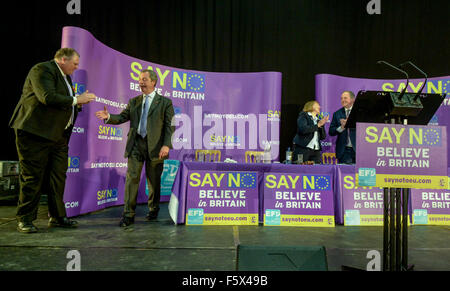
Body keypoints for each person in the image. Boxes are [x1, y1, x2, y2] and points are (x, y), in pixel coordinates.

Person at [9, 48, 96, 233]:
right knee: (32, 177)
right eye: (75, 63)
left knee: (58, 176)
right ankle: (25, 219)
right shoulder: (42, 70)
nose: (76, 67)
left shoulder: (66, 76)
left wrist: (77, 103)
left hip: (58, 136)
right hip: (35, 133)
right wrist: (75, 99)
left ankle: (57, 216)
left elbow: (64, 102)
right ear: (63, 59)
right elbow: (46, 97)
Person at [95, 69, 175, 227]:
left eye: (144, 79)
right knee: (132, 179)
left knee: (154, 182)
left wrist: (166, 145)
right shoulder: (134, 101)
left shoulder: (165, 102)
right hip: (136, 145)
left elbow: (169, 126)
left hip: (156, 148)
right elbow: (122, 117)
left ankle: (153, 209)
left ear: (153, 82)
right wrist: (109, 117)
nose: (141, 82)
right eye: (140, 80)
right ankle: (128, 215)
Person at [329, 90, 356, 164]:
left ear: (352, 99)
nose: (343, 100)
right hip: (344, 151)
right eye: (341, 98)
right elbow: (331, 131)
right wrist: (341, 127)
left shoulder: (359, 112)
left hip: (359, 150)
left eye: (345, 98)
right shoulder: (337, 114)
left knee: (359, 174)